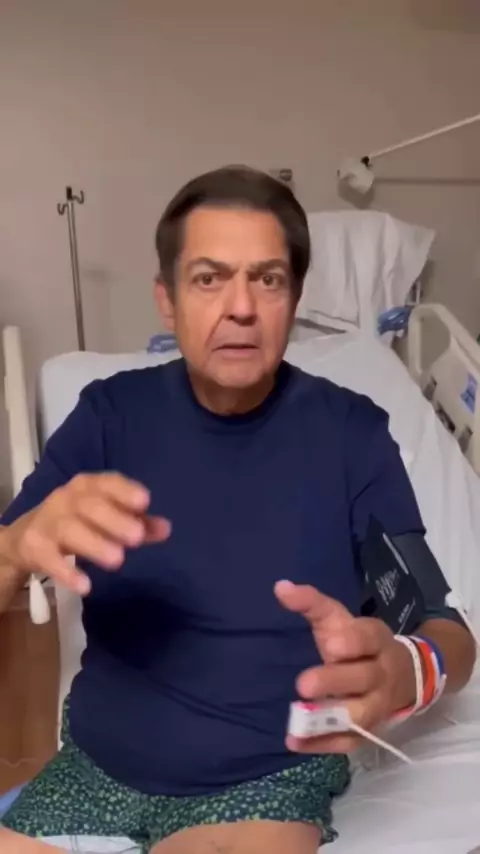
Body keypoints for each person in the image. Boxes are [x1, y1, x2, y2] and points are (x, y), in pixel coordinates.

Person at [0, 166, 475, 854]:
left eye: (268, 279)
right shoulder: (108, 417)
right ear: (167, 301)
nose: (242, 307)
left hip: (262, 779)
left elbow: (447, 631)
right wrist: (14, 548)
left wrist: (406, 670)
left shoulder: (351, 435)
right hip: (94, 766)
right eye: (209, 278)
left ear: (294, 298)